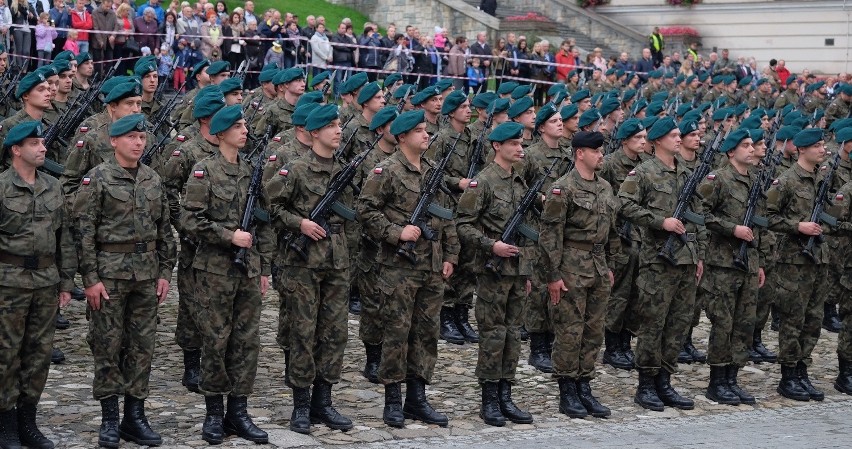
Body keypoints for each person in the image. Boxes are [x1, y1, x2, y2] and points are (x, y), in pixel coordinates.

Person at [72, 113, 176, 448]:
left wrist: (165, 272)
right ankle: (109, 419)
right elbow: (83, 233)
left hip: (145, 276)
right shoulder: (97, 179)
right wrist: (89, 278)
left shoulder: (152, 179)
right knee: (107, 344)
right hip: (110, 274)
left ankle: (135, 415)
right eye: (131, 137)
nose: (138, 143)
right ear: (114, 141)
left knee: (142, 346)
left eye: (142, 138)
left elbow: (165, 231)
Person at [357, 110, 460, 428]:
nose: (426, 135)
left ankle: (417, 398)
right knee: (397, 334)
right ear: (402, 137)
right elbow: (364, 209)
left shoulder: (432, 170)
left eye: (426, 130)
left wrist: (450, 254)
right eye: (419, 131)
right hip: (399, 268)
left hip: (431, 267)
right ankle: (392, 401)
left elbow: (446, 215)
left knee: (426, 334)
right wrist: (395, 232)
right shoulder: (385, 171)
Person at [181, 104, 272, 444]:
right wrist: (228, 236)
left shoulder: (252, 170)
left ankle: (239, 411)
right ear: (221, 133)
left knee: (246, 342)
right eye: (238, 126)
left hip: (247, 271)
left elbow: (264, 223)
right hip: (214, 271)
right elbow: (189, 219)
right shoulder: (204, 171)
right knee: (216, 341)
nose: (245, 130)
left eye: (245, 125)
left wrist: (261, 264)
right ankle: (214, 413)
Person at [263, 104, 354, 435]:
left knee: (334, 333)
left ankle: (324, 402)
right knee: (303, 332)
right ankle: (301, 405)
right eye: (331, 125)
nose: (338, 130)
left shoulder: (344, 169)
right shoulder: (295, 169)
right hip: (301, 264)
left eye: (339, 124)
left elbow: (353, 218)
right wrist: (299, 223)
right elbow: (271, 208)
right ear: (314, 132)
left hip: (337, 262)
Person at [618, 117, 704, 412]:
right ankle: (646, 384)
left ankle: (665, 381)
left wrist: (699, 254)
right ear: (657, 141)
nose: (680, 139)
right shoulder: (642, 173)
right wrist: (659, 221)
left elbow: (698, 217)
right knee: (653, 324)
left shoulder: (686, 172)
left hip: (685, 260)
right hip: (657, 261)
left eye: (681, 134)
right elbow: (625, 204)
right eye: (674, 135)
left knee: (677, 325)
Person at [0, 121, 75, 449]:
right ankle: (5, 423)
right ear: (17, 150)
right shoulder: (1, 187)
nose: (43, 148)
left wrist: (66, 282)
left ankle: (28, 421)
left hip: (45, 281)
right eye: (35, 143)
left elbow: (65, 238)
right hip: (9, 283)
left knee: (38, 353)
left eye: (42, 142)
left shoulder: (53, 186)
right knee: (6, 354)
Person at [455, 121, 535, 427]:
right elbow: (463, 224)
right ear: (496, 146)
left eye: (521, 144)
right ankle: (489, 398)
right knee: (493, 334)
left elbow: (527, 233)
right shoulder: (483, 182)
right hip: (492, 271)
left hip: (516, 271)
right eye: (514, 144)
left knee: (513, 334)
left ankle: (506, 394)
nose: (520, 148)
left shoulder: (519, 182)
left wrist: (526, 271)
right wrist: (491, 246)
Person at [696, 128, 762, 406]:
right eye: (745, 145)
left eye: (752, 144)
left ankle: (732, 378)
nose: (752, 149)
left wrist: (760, 263)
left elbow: (760, 224)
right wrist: (731, 229)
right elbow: (701, 214)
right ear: (731, 151)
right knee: (723, 324)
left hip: (747, 263)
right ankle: (717, 381)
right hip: (722, 263)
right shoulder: (717, 179)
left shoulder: (755, 180)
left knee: (744, 324)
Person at [766, 128, 829, 402]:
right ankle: (788, 375)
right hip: (793, 261)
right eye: (817, 145)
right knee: (793, 319)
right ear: (801, 149)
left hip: (818, 258)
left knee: (814, 320)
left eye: (823, 145)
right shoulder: (786, 181)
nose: (822, 149)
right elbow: (767, 217)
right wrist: (797, 226)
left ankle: (802, 370)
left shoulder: (823, 178)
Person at [599, 118, 650, 371]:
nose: (643, 142)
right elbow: (603, 197)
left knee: (636, 294)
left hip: (641, 236)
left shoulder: (646, 165)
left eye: (644, 138)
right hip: (620, 237)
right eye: (638, 138)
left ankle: (625, 343)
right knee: (618, 293)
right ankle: (612, 346)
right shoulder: (610, 163)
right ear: (625, 141)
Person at [91, 0, 117, 77]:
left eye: (109, 6)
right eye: (106, 6)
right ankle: (97, 78)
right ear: (102, 3)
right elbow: (95, 28)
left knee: (110, 61)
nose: (108, 8)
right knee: (98, 62)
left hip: (109, 41)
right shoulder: (95, 12)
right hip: (97, 41)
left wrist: (113, 35)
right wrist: (100, 41)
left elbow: (116, 26)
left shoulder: (112, 13)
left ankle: (108, 78)